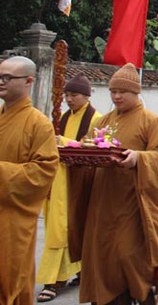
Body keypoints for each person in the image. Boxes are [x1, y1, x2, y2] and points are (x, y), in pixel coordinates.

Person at [69, 63, 158, 305]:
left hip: (133, 203)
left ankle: (140, 296)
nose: (116, 96)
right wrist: (73, 154)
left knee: (128, 256)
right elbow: (89, 148)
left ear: (136, 93)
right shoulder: (103, 122)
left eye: (122, 92)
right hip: (102, 203)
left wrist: (139, 158)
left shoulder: (150, 121)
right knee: (103, 257)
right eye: (113, 91)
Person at [0, 56, 58, 305]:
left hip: (14, 220)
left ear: (28, 81)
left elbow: (43, 173)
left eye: (7, 77)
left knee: (11, 280)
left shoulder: (39, 124)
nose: (1, 82)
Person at [37, 74, 100, 301]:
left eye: (73, 95)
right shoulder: (62, 118)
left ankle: (54, 279)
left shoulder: (96, 119)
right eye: (67, 95)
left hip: (80, 183)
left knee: (66, 229)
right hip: (58, 180)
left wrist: (62, 142)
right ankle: (78, 270)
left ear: (86, 96)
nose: (68, 99)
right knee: (60, 228)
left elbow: (93, 148)